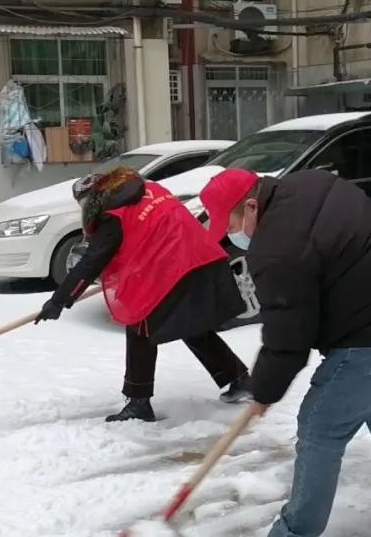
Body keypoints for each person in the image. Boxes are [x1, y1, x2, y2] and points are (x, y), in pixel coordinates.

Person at [199, 168, 371, 537]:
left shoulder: (275, 249)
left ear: (252, 206)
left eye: (232, 224)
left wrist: (265, 390)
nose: (234, 236)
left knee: (319, 429)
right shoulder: (312, 183)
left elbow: (288, 338)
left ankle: (294, 532)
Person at [34, 167, 252, 423]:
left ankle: (138, 402)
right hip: (203, 258)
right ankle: (240, 379)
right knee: (190, 324)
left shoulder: (110, 213)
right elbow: (148, 234)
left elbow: (93, 259)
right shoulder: (146, 189)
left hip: (177, 267)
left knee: (140, 327)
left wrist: (60, 300)